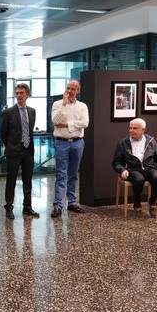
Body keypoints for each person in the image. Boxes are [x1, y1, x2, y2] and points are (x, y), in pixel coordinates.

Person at [112, 118, 157, 216]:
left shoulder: (151, 141)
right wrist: (122, 170)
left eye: (135, 128)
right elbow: (116, 162)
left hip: (148, 168)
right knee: (139, 179)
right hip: (132, 169)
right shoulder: (123, 143)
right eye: (130, 128)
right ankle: (137, 201)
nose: (131, 130)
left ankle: (152, 200)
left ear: (143, 130)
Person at [50, 79, 90, 218]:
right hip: (61, 142)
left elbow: (85, 123)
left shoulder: (82, 106)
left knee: (73, 174)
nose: (69, 91)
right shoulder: (57, 104)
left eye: (73, 89)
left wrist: (67, 124)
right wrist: (63, 105)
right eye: (68, 88)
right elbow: (55, 121)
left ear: (78, 91)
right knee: (61, 174)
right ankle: (57, 205)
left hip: (78, 142)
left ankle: (72, 202)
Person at [0, 83, 40, 219]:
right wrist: (11, 145)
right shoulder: (8, 112)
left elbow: (29, 130)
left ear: (27, 95)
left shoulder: (32, 111)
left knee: (27, 180)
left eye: (21, 93)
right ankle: (9, 207)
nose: (19, 95)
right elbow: (3, 133)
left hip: (28, 150)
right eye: (17, 93)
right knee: (11, 180)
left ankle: (27, 207)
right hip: (14, 151)